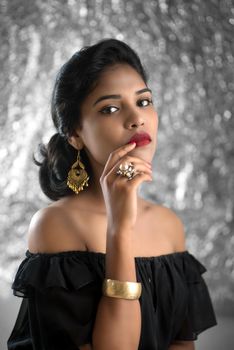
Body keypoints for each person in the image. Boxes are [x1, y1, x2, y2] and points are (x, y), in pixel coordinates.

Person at [7, 38, 217, 350]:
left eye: (143, 101)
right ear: (76, 134)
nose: (137, 118)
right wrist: (119, 228)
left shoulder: (169, 225)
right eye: (111, 108)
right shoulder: (54, 224)